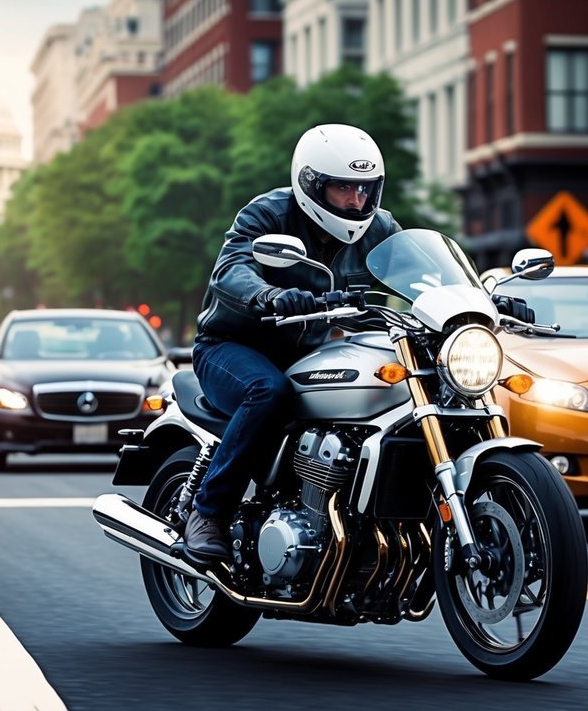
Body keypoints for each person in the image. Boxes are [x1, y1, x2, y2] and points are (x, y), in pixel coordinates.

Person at [179, 123, 532, 565]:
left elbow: (421, 274)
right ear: (312, 184)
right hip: (234, 347)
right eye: (344, 188)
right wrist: (267, 294)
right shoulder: (268, 214)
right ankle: (208, 512)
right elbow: (232, 269)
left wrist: (483, 299)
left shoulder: (380, 226)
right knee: (268, 392)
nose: (356, 201)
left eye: (365, 189)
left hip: (313, 349)